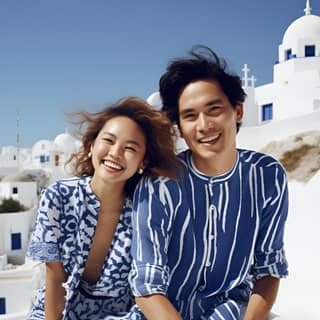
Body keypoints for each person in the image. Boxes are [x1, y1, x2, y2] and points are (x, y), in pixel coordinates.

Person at [129, 46, 289, 320]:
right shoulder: (159, 183)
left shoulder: (267, 176)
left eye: (214, 110)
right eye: (190, 116)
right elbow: (146, 284)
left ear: (237, 111)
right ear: (179, 126)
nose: (204, 125)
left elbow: (268, 269)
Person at [26, 96, 178, 319]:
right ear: (91, 145)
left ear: (142, 163)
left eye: (130, 148)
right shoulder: (58, 197)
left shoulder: (144, 212)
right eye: (109, 140)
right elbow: (54, 277)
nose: (115, 153)